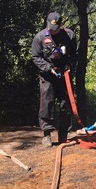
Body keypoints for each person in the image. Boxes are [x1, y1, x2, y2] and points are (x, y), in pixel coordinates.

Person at [31, 12, 78, 147]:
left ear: (61, 25)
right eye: (50, 28)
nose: (52, 30)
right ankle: (46, 134)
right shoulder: (39, 37)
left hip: (65, 76)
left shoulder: (69, 36)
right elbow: (36, 57)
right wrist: (48, 68)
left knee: (66, 105)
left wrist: (70, 64)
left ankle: (63, 134)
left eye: (55, 28)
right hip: (48, 77)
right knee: (46, 104)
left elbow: (75, 53)